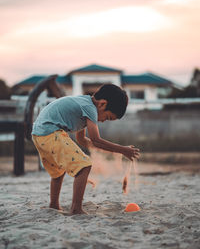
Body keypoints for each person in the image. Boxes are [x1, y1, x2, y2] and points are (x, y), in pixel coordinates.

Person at [32, 84, 140, 215]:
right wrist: (122, 150)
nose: (104, 121)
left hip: (39, 134)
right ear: (102, 104)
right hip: (51, 132)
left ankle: (54, 205)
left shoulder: (84, 104)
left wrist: (110, 152)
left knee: (58, 172)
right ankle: (76, 209)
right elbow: (96, 139)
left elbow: (82, 140)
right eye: (108, 117)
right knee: (84, 166)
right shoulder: (90, 108)